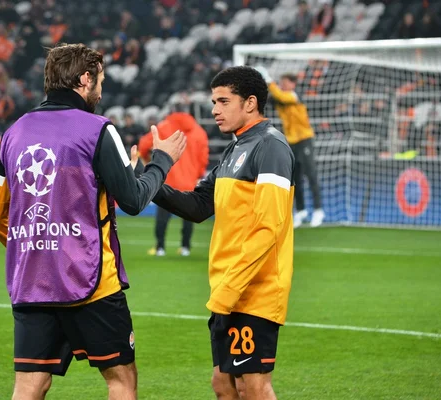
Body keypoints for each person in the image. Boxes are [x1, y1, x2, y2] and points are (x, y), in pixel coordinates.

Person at [0, 43, 186, 400]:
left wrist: (39, 248)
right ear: (84, 79)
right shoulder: (99, 130)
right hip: (91, 282)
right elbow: (135, 200)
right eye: (100, 80)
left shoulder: (14, 132)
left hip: (33, 283)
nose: (102, 89)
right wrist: (162, 162)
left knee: (30, 385)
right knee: (121, 381)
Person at [153, 66, 295, 400]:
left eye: (222, 101)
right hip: (228, 288)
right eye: (213, 101)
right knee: (224, 384)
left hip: (254, 291)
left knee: (254, 386)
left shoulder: (270, 147)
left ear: (250, 103)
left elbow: (268, 227)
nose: (214, 109)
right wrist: (148, 180)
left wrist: (229, 289)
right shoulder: (235, 149)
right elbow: (200, 205)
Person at [256, 66, 325, 228]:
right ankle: (300, 211)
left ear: (293, 84)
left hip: (304, 139)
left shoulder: (295, 95)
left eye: (285, 82)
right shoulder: (280, 98)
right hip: (291, 141)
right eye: (281, 83)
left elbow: (280, 95)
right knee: (295, 177)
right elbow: (267, 98)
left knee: (311, 174)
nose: (282, 85)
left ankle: (318, 210)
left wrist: (268, 79)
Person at [138, 111, 209, 256]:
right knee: (189, 216)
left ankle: (160, 248)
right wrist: (198, 174)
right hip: (190, 182)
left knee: (162, 216)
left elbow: (144, 145)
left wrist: (147, 162)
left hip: (168, 180)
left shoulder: (165, 126)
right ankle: (185, 248)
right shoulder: (199, 132)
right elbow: (203, 158)